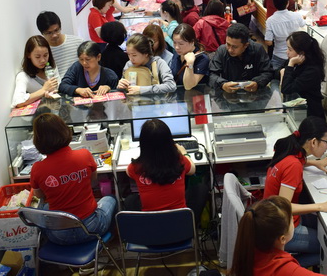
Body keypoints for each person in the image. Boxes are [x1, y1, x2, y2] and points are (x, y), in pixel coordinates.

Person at [229, 196, 327, 276]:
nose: (293, 219)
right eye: (291, 220)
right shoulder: (282, 269)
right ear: (282, 239)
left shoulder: (252, 242)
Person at [263, 117, 327, 265]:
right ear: (313, 142)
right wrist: (321, 206)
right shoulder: (293, 165)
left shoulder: (290, 150)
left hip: (278, 219)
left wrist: (315, 163)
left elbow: (299, 161)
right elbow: (283, 207)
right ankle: (282, 268)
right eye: (326, 141)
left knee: (324, 226)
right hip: (281, 228)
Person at [30, 113, 117, 245]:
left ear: (37, 140)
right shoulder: (84, 155)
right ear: (65, 131)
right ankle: (109, 244)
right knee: (110, 199)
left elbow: (39, 195)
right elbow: (93, 182)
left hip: (59, 236)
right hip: (92, 228)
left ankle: (60, 260)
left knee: (44, 208)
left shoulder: (37, 168)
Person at [125, 119, 208, 222]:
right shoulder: (180, 161)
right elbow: (192, 170)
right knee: (200, 189)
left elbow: (128, 172)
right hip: (180, 226)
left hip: (151, 227)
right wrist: (184, 153)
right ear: (170, 141)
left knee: (130, 200)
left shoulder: (135, 167)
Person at [209, 23, 274, 93]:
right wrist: (222, 84)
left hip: (253, 95)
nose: (230, 49)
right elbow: (211, 74)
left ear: (246, 45)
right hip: (229, 95)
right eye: (228, 44)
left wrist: (257, 83)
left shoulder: (258, 50)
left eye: (235, 47)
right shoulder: (222, 51)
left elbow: (268, 72)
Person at [280, 32, 326, 119]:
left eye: (290, 49)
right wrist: (284, 70)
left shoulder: (312, 70)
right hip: (295, 112)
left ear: (301, 53)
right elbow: (275, 72)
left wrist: (290, 65)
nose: (287, 52)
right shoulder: (296, 61)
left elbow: (286, 88)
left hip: (310, 115)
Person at [11, 36, 59, 108]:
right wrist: (43, 90)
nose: (43, 60)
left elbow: (58, 86)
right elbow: (17, 102)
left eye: (45, 55)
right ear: (28, 55)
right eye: (37, 57)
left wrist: (53, 91)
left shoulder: (51, 67)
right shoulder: (23, 76)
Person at [264, 0, 305, 70]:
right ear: (287, 2)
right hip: (295, 55)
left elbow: (268, 42)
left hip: (279, 55)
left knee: (278, 79)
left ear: (274, 3)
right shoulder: (296, 15)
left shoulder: (270, 20)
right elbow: (303, 25)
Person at [36, 11, 84, 78]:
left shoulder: (78, 42)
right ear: (42, 33)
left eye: (56, 30)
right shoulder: (43, 52)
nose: (54, 35)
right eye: (49, 33)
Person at [169, 24, 210, 89]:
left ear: (192, 42)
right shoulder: (177, 54)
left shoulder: (202, 59)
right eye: (174, 43)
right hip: (179, 96)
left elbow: (188, 86)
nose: (177, 47)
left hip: (196, 96)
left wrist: (190, 63)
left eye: (181, 44)